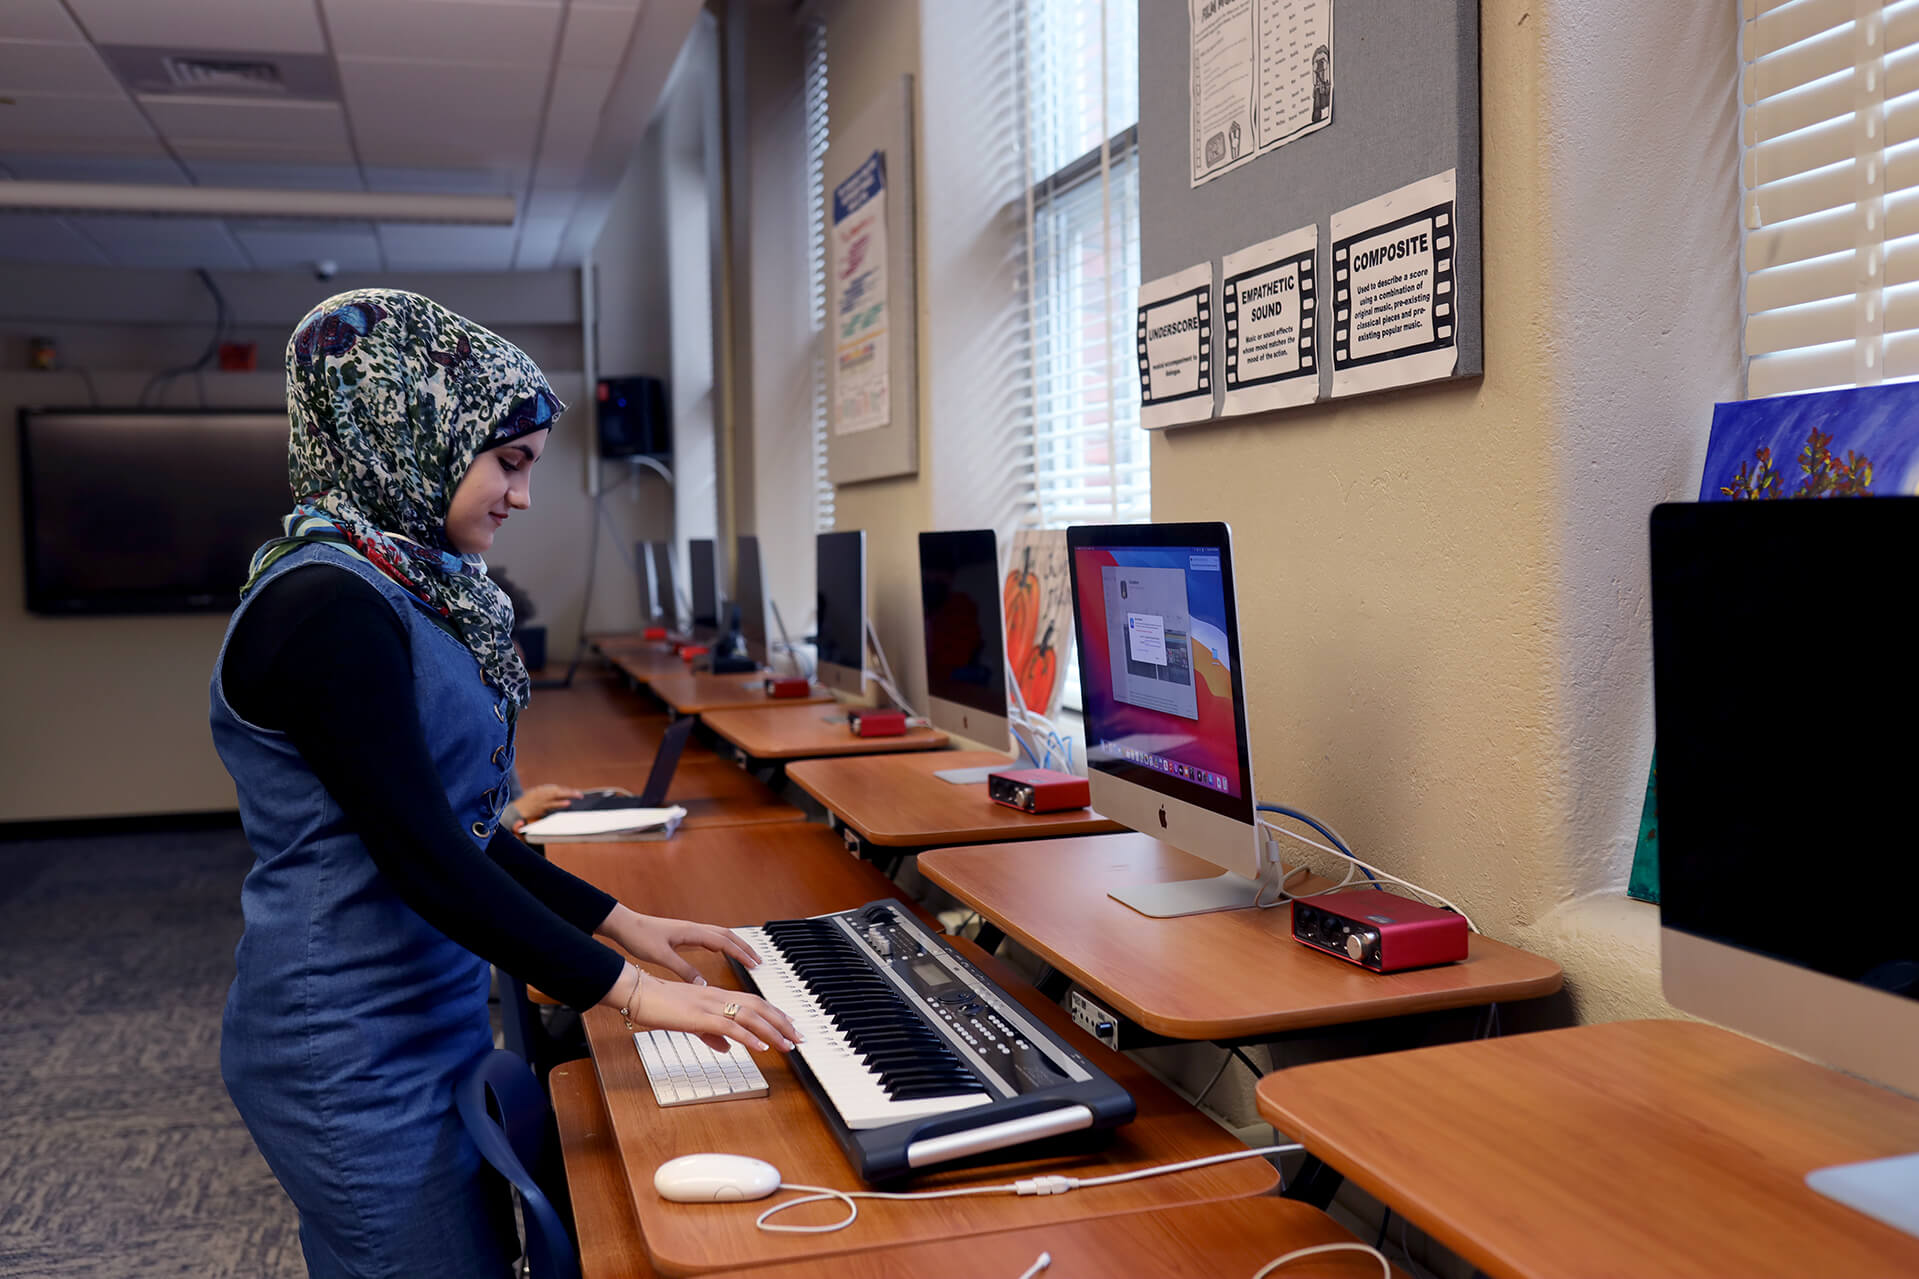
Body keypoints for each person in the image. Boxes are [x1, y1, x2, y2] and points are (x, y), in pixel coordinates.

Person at [209, 289, 800, 1278]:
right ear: (408, 435)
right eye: (509, 463)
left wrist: (618, 921)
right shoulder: (325, 607)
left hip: (419, 1006)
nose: (523, 495)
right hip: (346, 1041)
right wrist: (633, 994)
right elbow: (425, 858)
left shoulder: (405, 586)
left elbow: (465, 831)